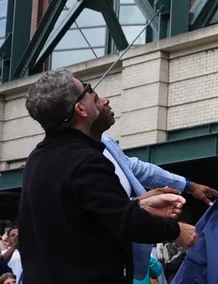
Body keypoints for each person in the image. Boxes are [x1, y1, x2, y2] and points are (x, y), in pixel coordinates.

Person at [18, 68, 198, 283]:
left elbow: (79, 217)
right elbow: (125, 222)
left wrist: (137, 205)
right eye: (88, 90)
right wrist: (176, 230)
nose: (96, 94)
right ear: (81, 109)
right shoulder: (86, 161)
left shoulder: (37, 159)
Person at [89, 92, 218, 281]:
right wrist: (173, 228)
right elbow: (106, 212)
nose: (106, 100)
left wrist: (189, 186)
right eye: (95, 99)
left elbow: (139, 170)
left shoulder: (107, 143)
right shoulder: (76, 161)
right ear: (80, 110)